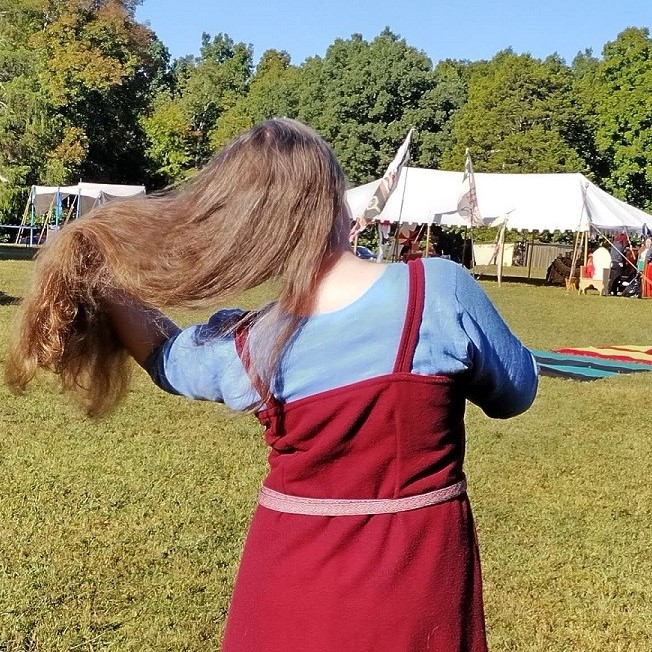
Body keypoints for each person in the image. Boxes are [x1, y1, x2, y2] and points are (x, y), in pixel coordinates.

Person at [5, 119, 538, 652]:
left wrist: (98, 268)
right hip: (415, 594)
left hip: (284, 592)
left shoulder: (249, 344)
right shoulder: (437, 291)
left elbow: (167, 359)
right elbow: (516, 391)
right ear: (338, 202)